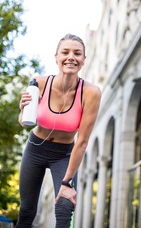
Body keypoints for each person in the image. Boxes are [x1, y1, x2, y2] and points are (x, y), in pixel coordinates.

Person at [16, 34, 101, 228]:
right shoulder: (39, 83)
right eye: (65, 52)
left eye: (77, 53)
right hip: (35, 150)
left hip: (64, 154)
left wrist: (67, 182)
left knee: (65, 205)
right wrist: (23, 110)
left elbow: (83, 141)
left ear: (83, 60)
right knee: (27, 209)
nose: (71, 57)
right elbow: (24, 122)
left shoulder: (91, 93)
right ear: (56, 57)